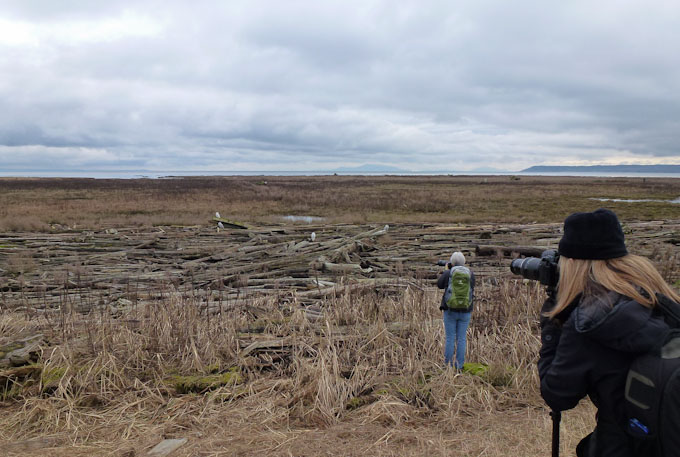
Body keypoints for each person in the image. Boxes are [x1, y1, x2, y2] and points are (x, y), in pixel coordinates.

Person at [538, 208, 680, 457]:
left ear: (572, 262)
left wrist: (552, 320)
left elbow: (558, 395)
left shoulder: (589, 323)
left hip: (622, 444)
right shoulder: (657, 297)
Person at [437, 251, 475, 369]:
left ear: (452, 262)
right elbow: (472, 287)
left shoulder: (449, 273)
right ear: (464, 262)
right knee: (462, 338)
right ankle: (459, 366)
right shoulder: (470, 273)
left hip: (450, 310)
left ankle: (447, 365)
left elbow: (439, 284)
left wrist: (446, 270)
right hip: (465, 310)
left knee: (450, 338)